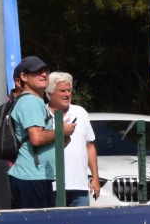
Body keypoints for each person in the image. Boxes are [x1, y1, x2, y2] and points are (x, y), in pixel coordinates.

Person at [8, 55, 65, 208]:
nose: (44, 74)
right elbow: (37, 138)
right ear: (23, 76)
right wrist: (61, 131)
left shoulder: (36, 101)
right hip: (30, 177)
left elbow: (44, 140)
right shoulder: (30, 101)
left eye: (45, 70)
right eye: (37, 71)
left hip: (37, 176)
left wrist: (63, 136)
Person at [46, 71, 98, 206]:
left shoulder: (80, 112)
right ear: (50, 93)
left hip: (79, 186)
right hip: (52, 186)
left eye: (69, 90)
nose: (67, 94)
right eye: (62, 91)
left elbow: (90, 146)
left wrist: (95, 178)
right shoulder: (41, 113)